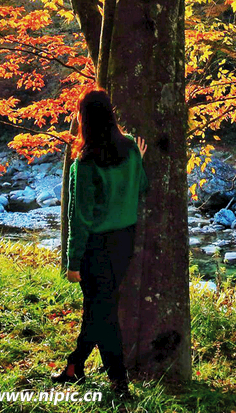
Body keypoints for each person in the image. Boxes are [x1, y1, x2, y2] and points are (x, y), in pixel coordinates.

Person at [52, 88, 148, 397]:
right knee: (99, 309)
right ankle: (74, 366)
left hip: (96, 248)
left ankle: (118, 382)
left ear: (84, 119)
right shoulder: (132, 148)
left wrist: (72, 261)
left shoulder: (86, 162)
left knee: (102, 314)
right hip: (124, 242)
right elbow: (142, 188)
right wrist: (139, 162)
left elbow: (80, 218)